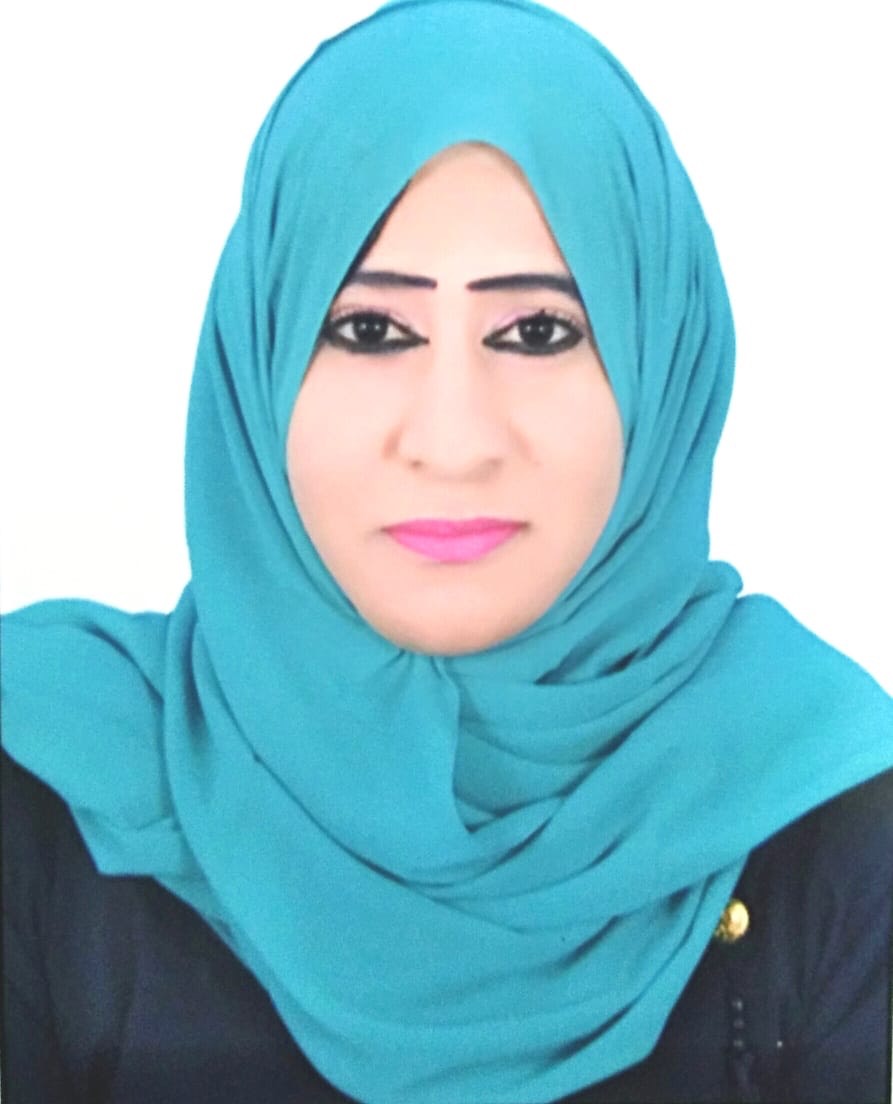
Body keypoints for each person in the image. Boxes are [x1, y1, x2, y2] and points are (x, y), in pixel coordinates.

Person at [2, 1, 892, 1102]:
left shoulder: (830, 824)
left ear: (662, 367)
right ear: (257, 360)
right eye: (371, 330)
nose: (453, 440)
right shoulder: (45, 792)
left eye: (536, 332)